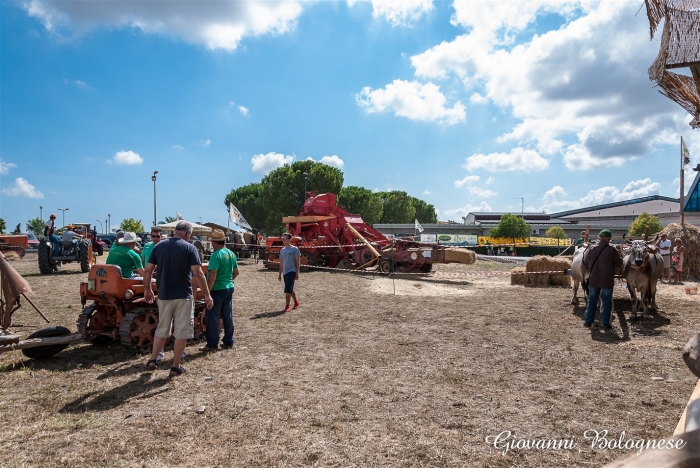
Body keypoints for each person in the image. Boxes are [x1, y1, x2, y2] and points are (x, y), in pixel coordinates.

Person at [143, 221, 213, 376]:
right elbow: (199, 273)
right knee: (181, 331)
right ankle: (175, 366)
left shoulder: (158, 246)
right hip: (183, 295)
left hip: (163, 294)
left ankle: (153, 359)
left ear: (175, 232)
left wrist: (147, 289)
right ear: (188, 234)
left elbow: (148, 271)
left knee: (162, 328)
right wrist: (207, 295)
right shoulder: (190, 248)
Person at [200, 229, 239, 352]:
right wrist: (228, 281)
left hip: (216, 289)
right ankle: (228, 341)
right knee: (227, 315)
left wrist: (207, 292)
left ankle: (212, 344)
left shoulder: (216, 255)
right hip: (228, 287)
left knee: (213, 317)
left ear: (214, 242)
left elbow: (212, 275)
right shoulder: (231, 254)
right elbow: (236, 272)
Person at [583, 229, 623, 330]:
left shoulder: (591, 249)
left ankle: (588, 321)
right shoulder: (611, 250)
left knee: (592, 300)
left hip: (594, 279)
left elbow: (587, 262)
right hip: (606, 280)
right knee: (606, 302)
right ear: (609, 239)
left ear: (599, 238)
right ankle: (605, 323)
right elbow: (620, 263)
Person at [278, 233, 301, 313]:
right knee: (289, 288)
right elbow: (281, 263)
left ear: (289, 239)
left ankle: (287, 306)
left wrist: (297, 272)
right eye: (282, 239)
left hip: (292, 270)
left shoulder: (295, 249)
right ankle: (296, 302)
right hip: (285, 271)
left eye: (285, 239)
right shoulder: (282, 250)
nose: (283, 241)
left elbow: (298, 262)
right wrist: (279, 274)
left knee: (287, 288)